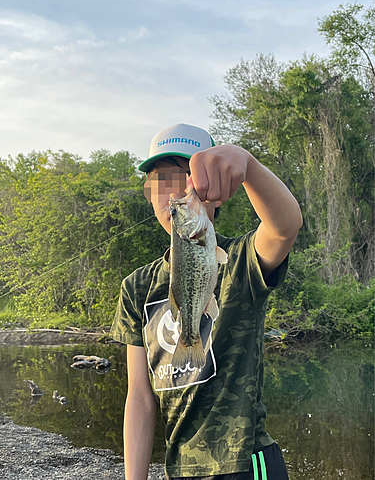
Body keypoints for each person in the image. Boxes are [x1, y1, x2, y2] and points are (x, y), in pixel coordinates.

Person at [110, 123, 303, 480]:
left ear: (214, 190)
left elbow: (284, 226)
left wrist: (248, 165)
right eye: (160, 181)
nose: (172, 193)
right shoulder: (137, 287)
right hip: (180, 468)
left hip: (248, 463)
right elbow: (139, 395)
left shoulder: (240, 260)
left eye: (185, 179)